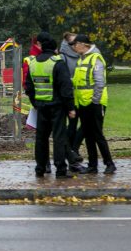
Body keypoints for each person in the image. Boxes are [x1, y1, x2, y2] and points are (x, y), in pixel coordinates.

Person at [24, 32, 77, 178]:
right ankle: (60, 169)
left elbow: (28, 86)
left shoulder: (33, 63)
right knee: (59, 138)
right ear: (54, 48)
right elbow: (66, 88)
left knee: (41, 139)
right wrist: (70, 107)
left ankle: (40, 168)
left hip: (41, 107)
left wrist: (35, 102)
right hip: (57, 107)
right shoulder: (57, 63)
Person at [72, 34, 116, 174]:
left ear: (84, 44)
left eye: (76, 44)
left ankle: (109, 164)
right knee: (88, 135)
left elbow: (99, 83)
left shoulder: (95, 58)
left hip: (95, 103)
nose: (74, 46)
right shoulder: (81, 59)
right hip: (83, 103)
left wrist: (94, 102)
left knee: (97, 134)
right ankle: (92, 166)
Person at [59, 31, 85, 168]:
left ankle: (73, 149)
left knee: (85, 125)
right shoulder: (63, 57)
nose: (77, 45)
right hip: (70, 97)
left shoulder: (83, 55)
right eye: (74, 42)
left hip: (83, 97)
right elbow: (63, 78)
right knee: (73, 125)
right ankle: (70, 152)